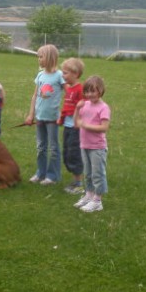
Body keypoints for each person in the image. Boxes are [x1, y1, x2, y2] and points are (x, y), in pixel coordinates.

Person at [25, 44, 65, 185]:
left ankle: (52, 176)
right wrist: (31, 115)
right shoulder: (40, 75)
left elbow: (69, 94)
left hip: (53, 119)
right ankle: (40, 173)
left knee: (53, 148)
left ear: (49, 57)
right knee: (41, 147)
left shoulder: (60, 76)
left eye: (41, 57)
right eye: (38, 57)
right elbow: (35, 95)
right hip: (40, 118)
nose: (39, 60)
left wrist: (65, 113)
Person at [73, 75, 111, 213]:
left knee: (97, 174)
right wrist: (77, 109)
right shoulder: (85, 105)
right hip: (85, 145)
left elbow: (104, 127)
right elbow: (76, 123)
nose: (89, 94)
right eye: (87, 91)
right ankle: (89, 195)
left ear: (100, 90)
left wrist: (86, 126)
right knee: (87, 173)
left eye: (93, 91)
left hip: (97, 148)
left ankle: (97, 201)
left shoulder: (104, 107)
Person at [59, 57, 85, 194]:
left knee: (74, 154)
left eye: (65, 73)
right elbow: (66, 107)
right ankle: (75, 181)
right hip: (67, 127)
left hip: (76, 128)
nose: (63, 76)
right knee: (67, 152)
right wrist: (61, 119)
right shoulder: (69, 89)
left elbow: (84, 108)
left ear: (75, 74)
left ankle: (79, 184)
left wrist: (78, 122)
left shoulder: (80, 89)